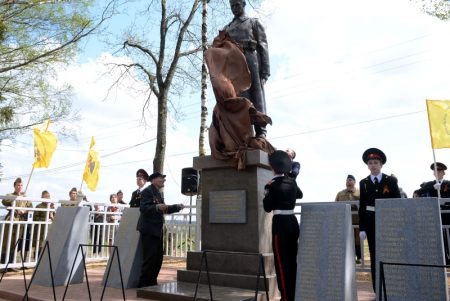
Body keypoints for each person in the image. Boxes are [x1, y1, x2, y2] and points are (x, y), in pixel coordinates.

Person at [224, 0, 270, 138]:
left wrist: (265, 70)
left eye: (237, 5)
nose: (235, 8)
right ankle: (243, 132)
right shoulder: (227, 28)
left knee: (256, 96)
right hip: (235, 65)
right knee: (239, 98)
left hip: (251, 60)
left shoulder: (253, 23)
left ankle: (261, 131)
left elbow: (263, 46)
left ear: (244, 4)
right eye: (232, 6)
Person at [358, 148, 401, 292]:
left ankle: (392, 286)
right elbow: (362, 206)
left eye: (376, 162)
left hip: (387, 221)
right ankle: (377, 288)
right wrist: (362, 227)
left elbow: (397, 202)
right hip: (370, 222)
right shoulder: (363, 182)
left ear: (381, 164)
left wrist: (396, 223)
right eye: (370, 163)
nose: (373, 165)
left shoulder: (390, 180)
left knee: (390, 253)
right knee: (374, 253)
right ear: (367, 165)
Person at [263, 150, 303, 301]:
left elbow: (267, 207)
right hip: (293, 223)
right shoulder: (291, 182)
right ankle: (293, 295)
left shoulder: (271, 185)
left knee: (281, 264)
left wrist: (266, 193)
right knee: (292, 261)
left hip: (280, 225)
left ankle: (286, 298)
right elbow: (300, 194)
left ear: (272, 168)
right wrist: (290, 179)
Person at [137, 171, 184, 287]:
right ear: (153, 180)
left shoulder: (158, 193)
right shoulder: (147, 191)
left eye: (164, 179)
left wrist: (176, 207)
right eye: (161, 178)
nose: (163, 180)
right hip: (149, 229)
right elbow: (143, 208)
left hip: (157, 230)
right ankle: (143, 284)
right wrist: (156, 207)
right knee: (149, 258)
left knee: (158, 259)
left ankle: (152, 282)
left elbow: (165, 209)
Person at [1, 177, 33, 266]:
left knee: (15, 243)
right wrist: (16, 197)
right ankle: (3, 263)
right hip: (11, 220)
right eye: (18, 185)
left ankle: (11, 264)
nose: (19, 187)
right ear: (15, 186)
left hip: (21, 222)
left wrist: (24, 210)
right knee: (7, 241)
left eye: (21, 185)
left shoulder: (25, 198)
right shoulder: (10, 194)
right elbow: (4, 201)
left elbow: (30, 208)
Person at [335, 174, 361, 264]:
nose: (348, 182)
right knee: (348, 239)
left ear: (354, 182)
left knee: (358, 239)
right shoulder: (340, 193)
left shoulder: (359, 192)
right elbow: (336, 205)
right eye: (347, 180)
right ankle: (350, 257)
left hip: (357, 220)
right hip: (345, 220)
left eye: (350, 180)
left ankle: (360, 257)